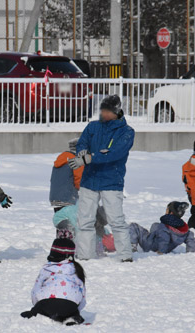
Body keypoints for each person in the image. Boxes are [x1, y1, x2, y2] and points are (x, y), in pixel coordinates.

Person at [68, 95, 135, 262]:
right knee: (84, 220)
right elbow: (82, 142)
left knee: (116, 220)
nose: (103, 114)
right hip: (89, 181)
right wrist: (82, 152)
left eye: (107, 111)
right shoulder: (93, 127)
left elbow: (115, 153)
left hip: (112, 182)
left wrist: (91, 158)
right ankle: (85, 255)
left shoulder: (126, 132)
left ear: (116, 112)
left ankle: (125, 255)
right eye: (102, 110)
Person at [21, 238, 86, 326]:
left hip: (46, 303)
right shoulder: (76, 269)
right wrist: (76, 308)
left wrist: (37, 305)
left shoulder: (46, 268)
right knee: (71, 311)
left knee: (39, 310)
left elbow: (36, 290)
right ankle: (73, 317)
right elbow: (82, 293)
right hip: (69, 305)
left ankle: (35, 314)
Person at [129, 202, 195, 254]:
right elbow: (190, 238)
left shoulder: (164, 227)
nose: (166, 211)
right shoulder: (183, 230)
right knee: (155, 225)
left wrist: (161, 251)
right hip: (167, 248)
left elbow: (164, 238)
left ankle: (132, 248)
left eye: (167, 210)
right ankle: (153, 237)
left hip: (150, 246)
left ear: (171, 213)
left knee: (134, 226)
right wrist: (190, 252)